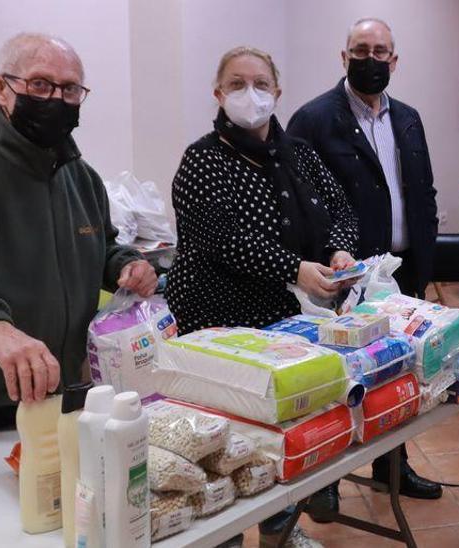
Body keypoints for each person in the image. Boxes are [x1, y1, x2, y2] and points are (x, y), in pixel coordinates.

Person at [0, 33, 157, 455]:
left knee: (45, 509)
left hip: (54, 390)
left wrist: (125, 263)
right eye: (39, 84)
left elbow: (100, 245)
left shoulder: (81, 178)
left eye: (70, 88)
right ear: (2, 89)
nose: (56, 98)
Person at [164, 46, 356, 548]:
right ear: (217, 94)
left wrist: (339, 250)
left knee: (275, 432)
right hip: (216, 321)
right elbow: (220, 238)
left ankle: (280, 527)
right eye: (236, 84)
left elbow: (339, 208)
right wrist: (294, 268)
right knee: (221, 441)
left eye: (260, 84)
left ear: (277, 92)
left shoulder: (300, 153)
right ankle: (221, 537)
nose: (250, 94)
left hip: (282, 320)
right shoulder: (203, 160)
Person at [284, 18, 444, 520]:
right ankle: (324, 481)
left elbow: (423, 190)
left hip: (404, 271)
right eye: (361, 50)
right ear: (344, 56)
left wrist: (426, 251)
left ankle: (392, 468)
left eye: (381, 52)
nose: (371, 59)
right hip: (344, 279)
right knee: (338, 377)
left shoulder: (410, 118)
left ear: (395, 61)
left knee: (399, 369)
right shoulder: (312, 120)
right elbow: (298, 202)